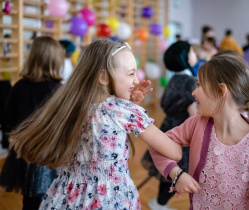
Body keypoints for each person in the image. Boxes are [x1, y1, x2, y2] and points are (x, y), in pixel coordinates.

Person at [9, 39, 182, 210]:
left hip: (67, 195)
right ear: (104, 77)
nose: (136, 80)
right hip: (110, 199)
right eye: (131, 74)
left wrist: (129, 104)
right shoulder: (125, 111)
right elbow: (174, 152)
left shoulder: (70, 106)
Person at [150, 51, 249, 209]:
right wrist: (176, 175)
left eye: (199, 85)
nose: (193, 92)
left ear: (221, 90)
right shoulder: (195, 124)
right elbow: (156, 145)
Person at [0, 36, 65, 210]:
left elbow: (7, 123)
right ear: (56, 61)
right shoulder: (58, 90)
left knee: (30, 200)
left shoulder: (20, 86)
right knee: (54, 198)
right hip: (50, 156)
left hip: (24, 153)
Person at [144, 40, 197, 210]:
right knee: (178, 171)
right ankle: (160, 203)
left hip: (168, 126)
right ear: (186, 56)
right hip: (183, 132)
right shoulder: (190, 82)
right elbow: (193, 112)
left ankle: (159, 203)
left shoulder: (174, 77)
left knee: (168, 169)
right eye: (192, 51)